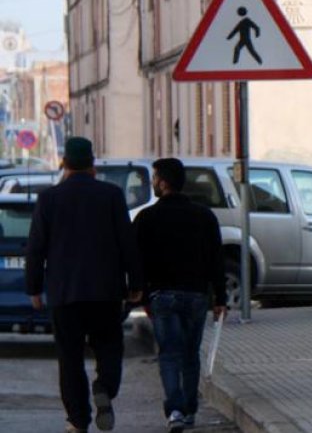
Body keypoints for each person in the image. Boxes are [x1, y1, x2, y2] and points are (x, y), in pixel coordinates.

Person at [25, 137, 144, 433]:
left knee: (70, 360)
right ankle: (104, 387)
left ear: (64, 164)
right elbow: (127, 243)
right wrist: (136, 283)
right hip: (105, 292)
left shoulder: (49, 199)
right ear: (93, 165)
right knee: (109, 348)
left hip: (64, 293)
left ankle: (78, 420)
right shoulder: (111, 195)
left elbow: (36, 248)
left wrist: (34, 288)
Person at [133, 158, 227, 433]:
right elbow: (216, 259)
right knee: (190, 354)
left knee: (169, 354)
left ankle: (175, 409)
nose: (152, 183)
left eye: (154, 178)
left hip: (162, 296)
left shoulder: (146, 218)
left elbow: (136, 260)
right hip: (196, 295)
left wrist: (140, 295)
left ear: (163, 183)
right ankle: (189, 410)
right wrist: (220, 298)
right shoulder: (204, 217)